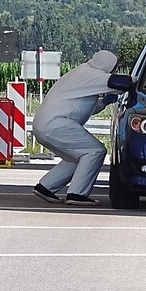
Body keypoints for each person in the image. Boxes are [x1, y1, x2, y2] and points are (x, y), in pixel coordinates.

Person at [32, 50, 130, 206]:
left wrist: (103, 103)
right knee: (95, 151)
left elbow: (82, 104)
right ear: (109, 66)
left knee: (76, 157)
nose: (115, 70)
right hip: (56, 124)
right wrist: (144, 80)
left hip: (44, 124)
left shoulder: (80, 72)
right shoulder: (93, 75)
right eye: (115, 67)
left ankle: (46, 187)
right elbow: (123, 83)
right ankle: (77, 194)